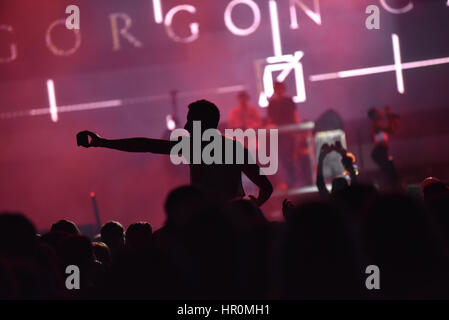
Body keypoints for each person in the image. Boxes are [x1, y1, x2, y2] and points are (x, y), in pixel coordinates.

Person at [77, 100, 273, 207]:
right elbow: (266, 188)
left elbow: (145, 145)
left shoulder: (192, 147)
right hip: (232, 219)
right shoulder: (234, 149)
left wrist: (103, 142)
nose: (186, 125)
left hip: (205, 223)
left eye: (190, 120)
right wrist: (256, 205)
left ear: (202, 123)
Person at [266, 82, 302, 188]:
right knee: (282, 158)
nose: (278, 90)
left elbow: (295, 116)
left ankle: (294, 181)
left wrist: (296, 131)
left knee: (291, 157)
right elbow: (270, 120)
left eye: (280, 88)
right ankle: (288, 182)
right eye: (276, 88)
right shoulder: (272, 104)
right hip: (278, 135)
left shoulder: (289, 101)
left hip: (289, 134)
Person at [367, 106, 399, 188]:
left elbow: (392, 130)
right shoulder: (376, 125)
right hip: (380, 151)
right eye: (378, 112)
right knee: (391, 174)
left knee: (390, 173)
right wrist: (389, 116)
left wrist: (392, 119)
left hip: (381, 151)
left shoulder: (378, 124)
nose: (380, 113)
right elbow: (390, 130)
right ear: (374, 115)